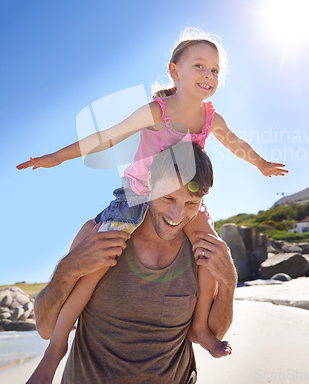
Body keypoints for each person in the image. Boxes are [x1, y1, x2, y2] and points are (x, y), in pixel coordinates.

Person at [17, 29, 288, 381]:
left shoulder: (211, 119)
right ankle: (54, 350)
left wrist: (262, 164)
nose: (209, 75)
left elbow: (236, 144)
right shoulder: (156, 112)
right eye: (200, 66)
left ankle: (200, 329)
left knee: (211, 250)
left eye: (216, 70)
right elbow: (106, 136)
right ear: (175, 71)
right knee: (96, 262)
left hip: (184, 197)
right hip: (138, 194)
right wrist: (57, 157)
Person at [36, 143, 238, 383]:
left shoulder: (200, 250)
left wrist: (229, 283)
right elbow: (46, 328)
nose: (177, 215)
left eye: (191, 204)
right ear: (150, 186)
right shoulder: (98, 234)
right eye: (167, 198)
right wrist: (68, 267)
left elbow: (212, 334)